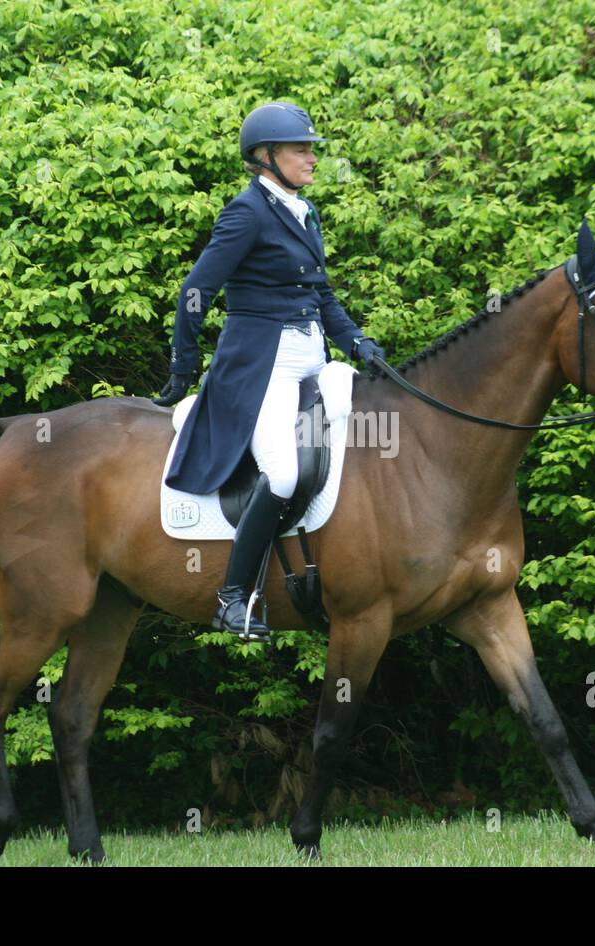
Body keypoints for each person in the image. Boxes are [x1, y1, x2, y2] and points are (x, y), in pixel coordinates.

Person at [153, 101, 386, 639]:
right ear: (265, 156)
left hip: (315, 360)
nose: (311, 157)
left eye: (311, 148)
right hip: (264, 370)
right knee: (282, 473)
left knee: (371, 441)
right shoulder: (246, 212)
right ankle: (233, 599)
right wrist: (183, 368)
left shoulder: (304, 211)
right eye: (300, 149)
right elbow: (196, 291)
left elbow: (320, 293)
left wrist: (358, 342)